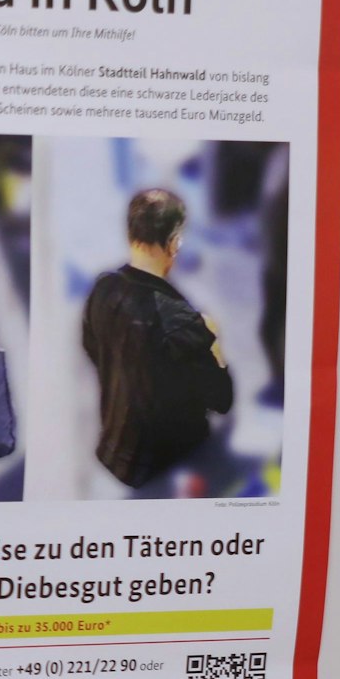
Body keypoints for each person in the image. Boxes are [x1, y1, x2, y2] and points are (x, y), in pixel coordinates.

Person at [82, 188, 234, 488]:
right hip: (166, 471)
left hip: (113, 452)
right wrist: (214, 342)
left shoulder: (103, 289)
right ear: (174, 242)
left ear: (130, 234)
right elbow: (221, 400)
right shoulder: (182, 321)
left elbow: (92, 350)